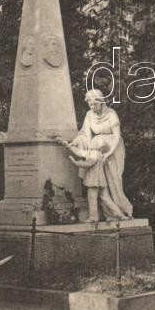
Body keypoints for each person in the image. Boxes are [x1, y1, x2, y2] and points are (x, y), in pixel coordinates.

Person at [56, 89, 132, 222]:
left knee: (114, 181)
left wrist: (109, 152)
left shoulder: (111, 114)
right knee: (103, 192)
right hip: (98, 149)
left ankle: (122, 211)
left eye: (94, 104)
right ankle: (112, 215)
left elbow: (116, 136)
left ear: (101, 102)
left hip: (112, 149)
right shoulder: (89, 115)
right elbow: (84, 135)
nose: (92, 107)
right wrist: (71, 144)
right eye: (90, 104)